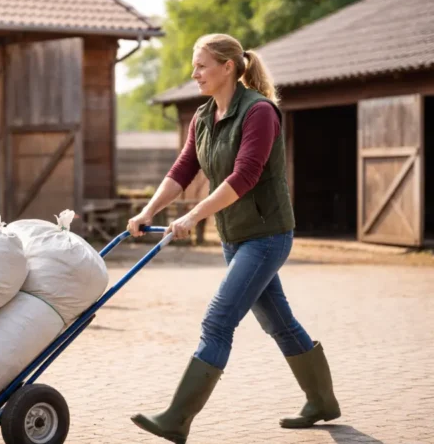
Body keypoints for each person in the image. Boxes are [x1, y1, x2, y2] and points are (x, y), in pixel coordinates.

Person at [126, 33, 340, 444]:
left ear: (228, 68)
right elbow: (183, 169)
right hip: (235, 236)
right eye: (194, 66)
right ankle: (322, 402)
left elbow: (244, 177)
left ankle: (176, 419)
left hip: (267, 235)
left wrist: (192, 215)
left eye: (201, 66)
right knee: (278, 322)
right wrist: (148, 211)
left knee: (218, 320)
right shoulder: (203, 116)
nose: (194, 74)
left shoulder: (259, 112)